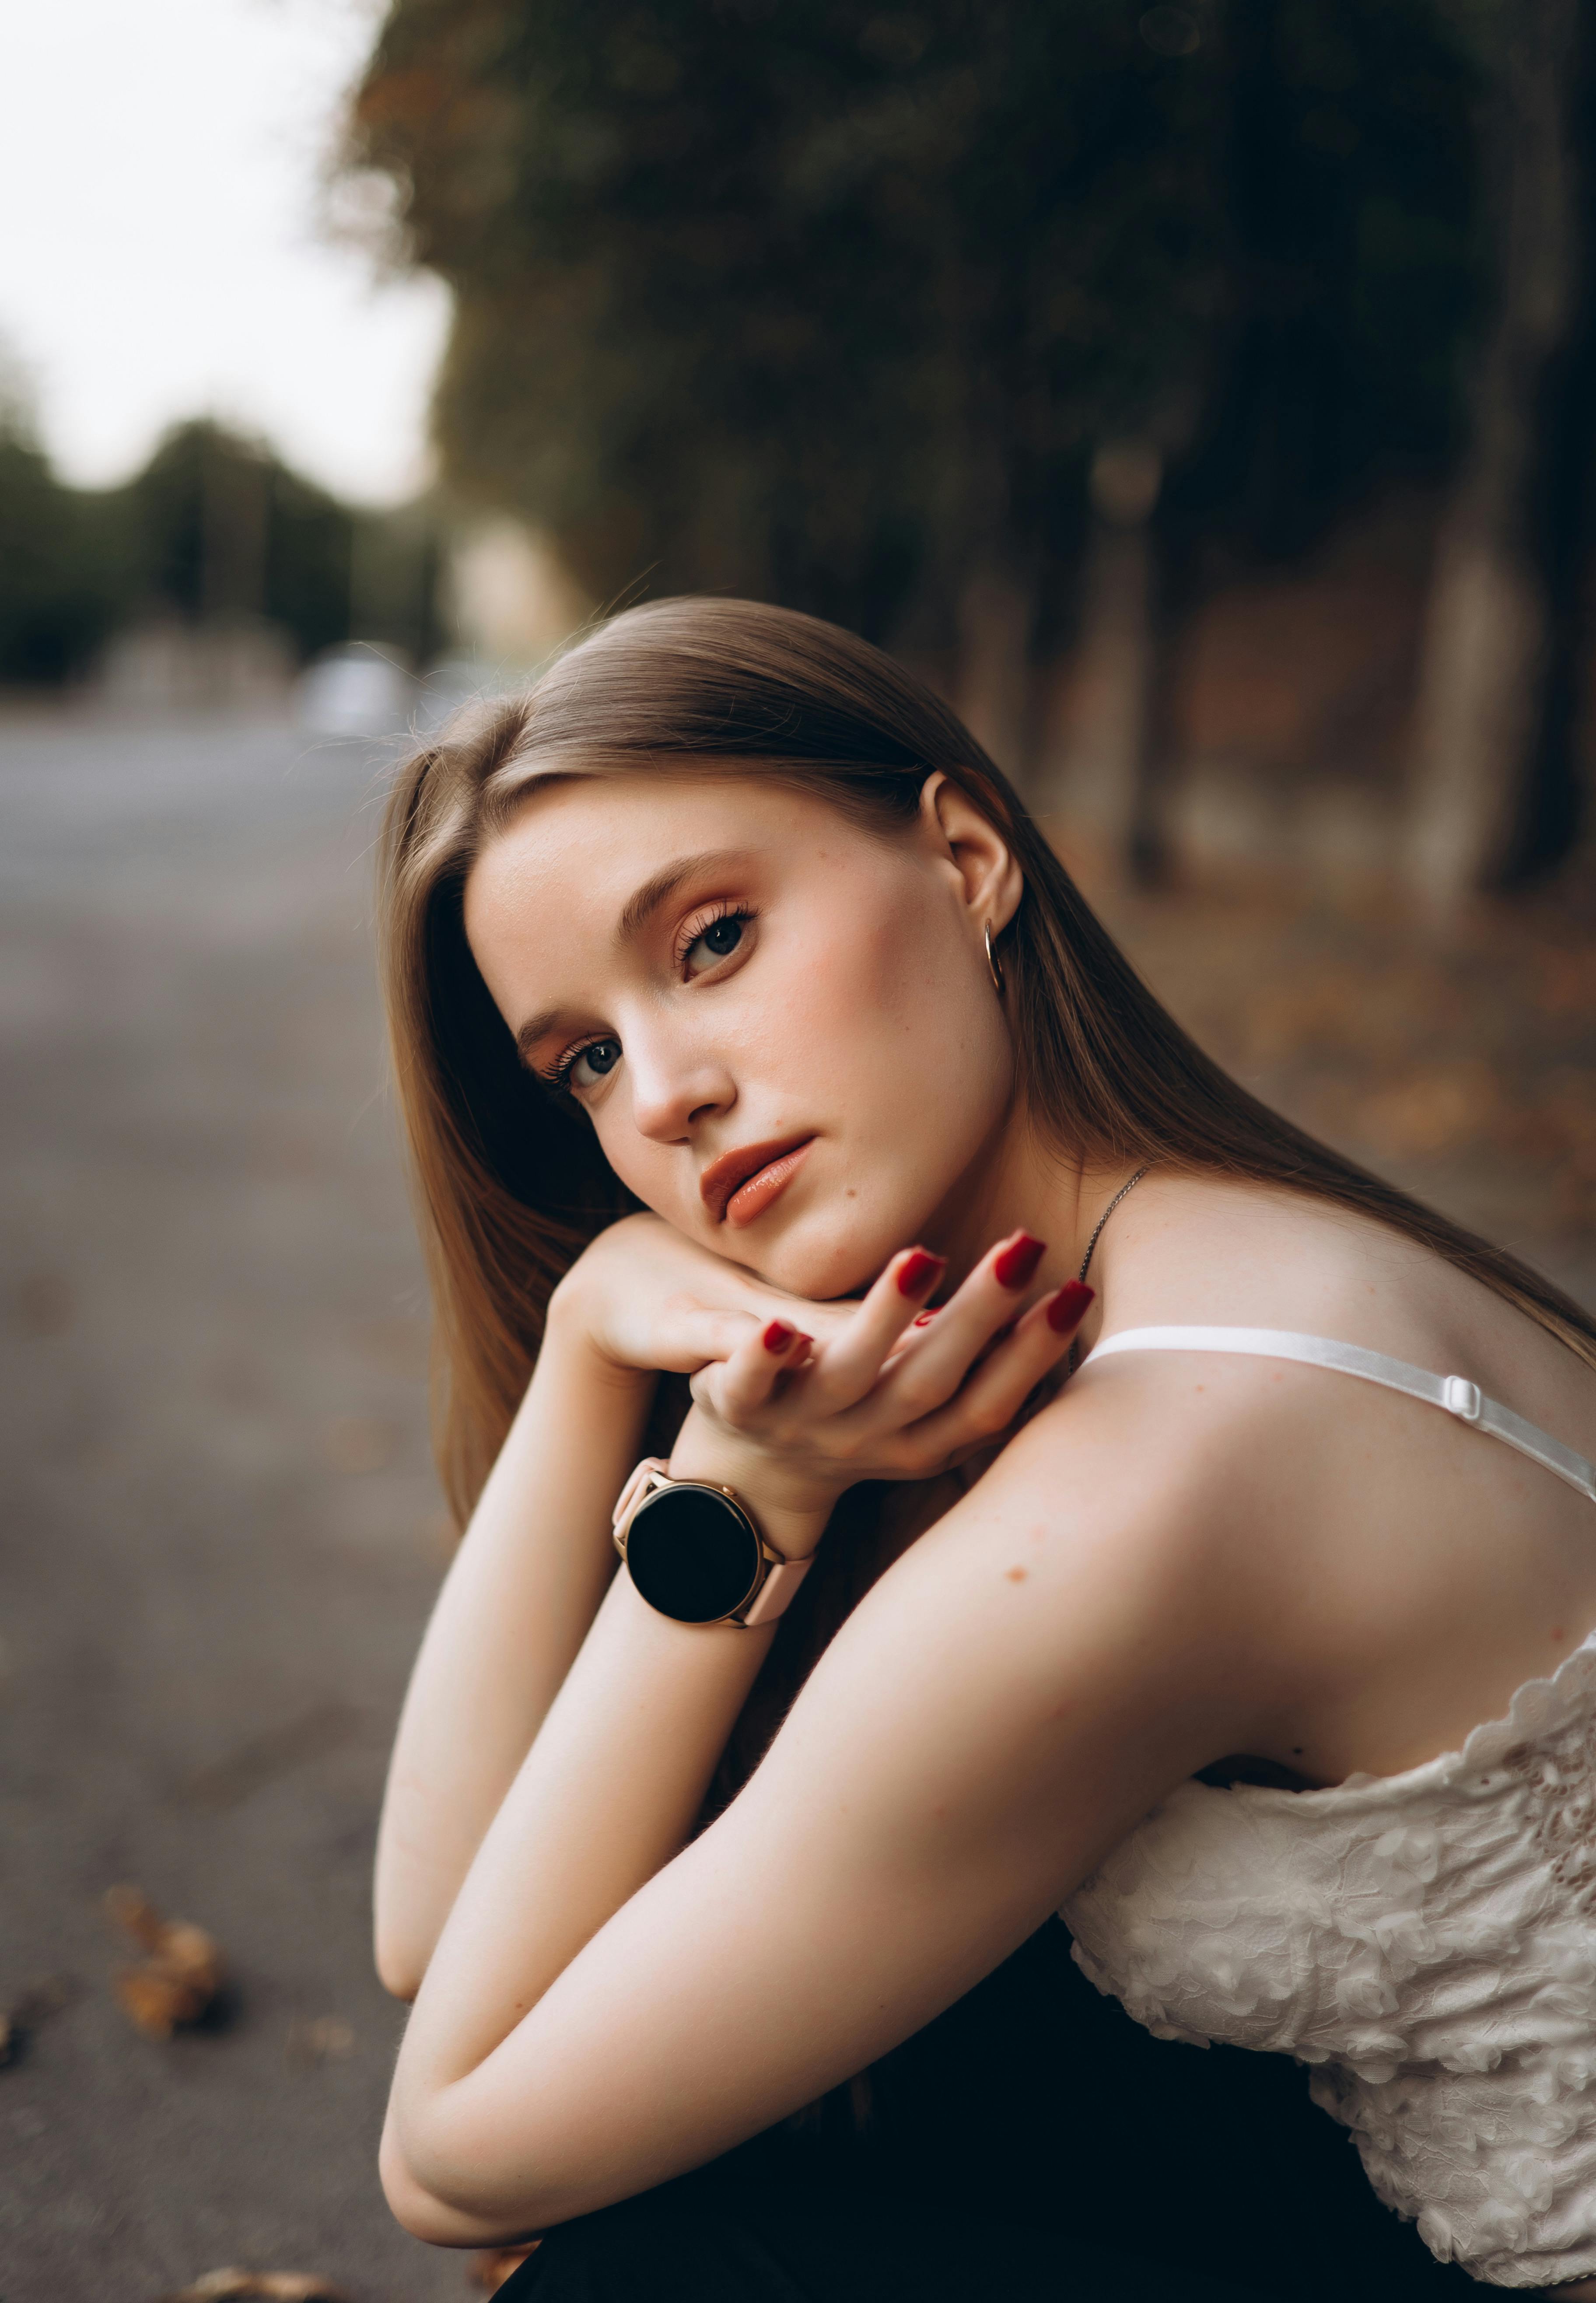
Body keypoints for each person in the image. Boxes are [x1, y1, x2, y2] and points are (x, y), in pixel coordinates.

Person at [369, 597, 1596, 2300]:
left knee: (652, 2272)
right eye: (583, 1058)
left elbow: (457, 2153)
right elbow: (436, 1937)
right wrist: (590, 1332)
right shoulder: (1199, 1248)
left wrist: (744, 1496)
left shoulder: (1165, 1473)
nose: (659, 1095)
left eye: (711, 941)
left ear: (966, 857)